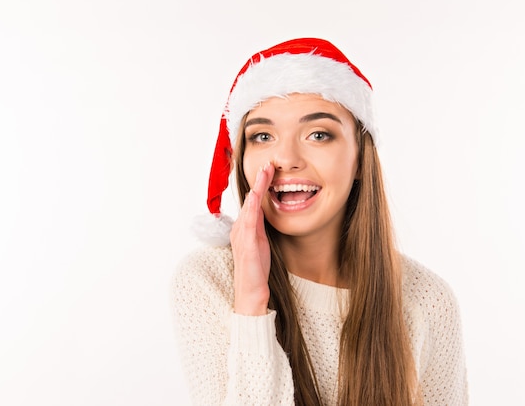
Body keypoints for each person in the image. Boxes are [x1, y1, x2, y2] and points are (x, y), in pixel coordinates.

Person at [170, 37, 468, 406]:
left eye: (318, 135)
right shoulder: (208, 281)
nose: (286, 158)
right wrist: (251, 302)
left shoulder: (426, 301)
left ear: (360, 159)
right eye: (263, 136)